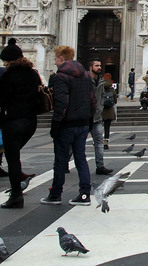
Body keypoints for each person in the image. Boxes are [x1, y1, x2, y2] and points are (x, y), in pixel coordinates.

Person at [41, 46, 95, 206]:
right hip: (83, 123)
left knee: (60, 161)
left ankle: (56, 194)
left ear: (61, 59)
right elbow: (93, 101)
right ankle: (85, 194)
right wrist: (89, 121)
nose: (55, 61)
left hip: (66, 124)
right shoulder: (86, 75)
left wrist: (55, 125)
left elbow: (61, 103)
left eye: (56, 58)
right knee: (81, 158)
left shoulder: (60, 77)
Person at [0, 38, 41, 208]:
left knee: (13, 159)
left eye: (5, 60)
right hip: (30, 122)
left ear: (9, 60)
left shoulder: (8, 75)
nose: (4, 64)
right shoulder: (33, 74)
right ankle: (19, 182)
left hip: (13, 122)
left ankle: (16, 196)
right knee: (14, 155)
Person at [87, 60, 113, 176]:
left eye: (100, 65)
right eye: (97, 66)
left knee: (98, 142)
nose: (99, 67)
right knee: (76, 142)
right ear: (90, 67)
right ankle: (66, 162)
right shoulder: (84, 80)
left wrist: (100, 107)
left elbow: (102, 95)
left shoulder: (101, 81)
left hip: (97, 116)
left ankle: (100, 166)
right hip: (85, 116)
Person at [100, 73, 116, 149]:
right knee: (107, 128)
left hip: (101, 110)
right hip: (109, 111)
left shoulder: (100, 88)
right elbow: (115, 101)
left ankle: (96, 141)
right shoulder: (112, 89)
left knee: (99, 127)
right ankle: (106, 143)